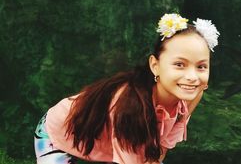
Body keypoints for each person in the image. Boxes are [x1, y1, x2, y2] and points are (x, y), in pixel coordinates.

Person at [34, 13, 220, 164]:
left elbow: (158, 150)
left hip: (114, 143)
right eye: (180, 64)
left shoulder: (192, 94)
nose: (192, 77)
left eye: (201, 66)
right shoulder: (129, 105)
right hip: (57, 133)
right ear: (155, 65)